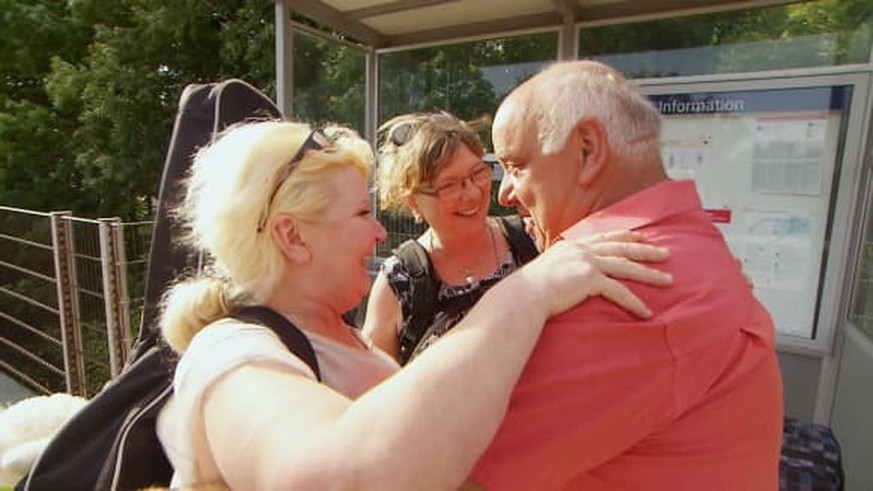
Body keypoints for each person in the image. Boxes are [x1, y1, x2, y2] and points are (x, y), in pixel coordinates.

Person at [154, 119, 674, 490]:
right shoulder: (231, 353)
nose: (380, 233)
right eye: (361, 212)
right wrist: (526, 294)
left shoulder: (334, 334)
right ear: (293, 237)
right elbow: (337, 478)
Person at [463, 60, 785, 490]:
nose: (504, 194)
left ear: (587, 150)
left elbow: (437, 463)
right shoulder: (682, 245)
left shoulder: (619, 281)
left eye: (517, 165)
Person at [363, 111, 537, 364]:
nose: (472, 193)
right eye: (449, 186)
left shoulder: (531, 239)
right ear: (413, 202)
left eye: (477, 173)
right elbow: (375, 389)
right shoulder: (399, 281)